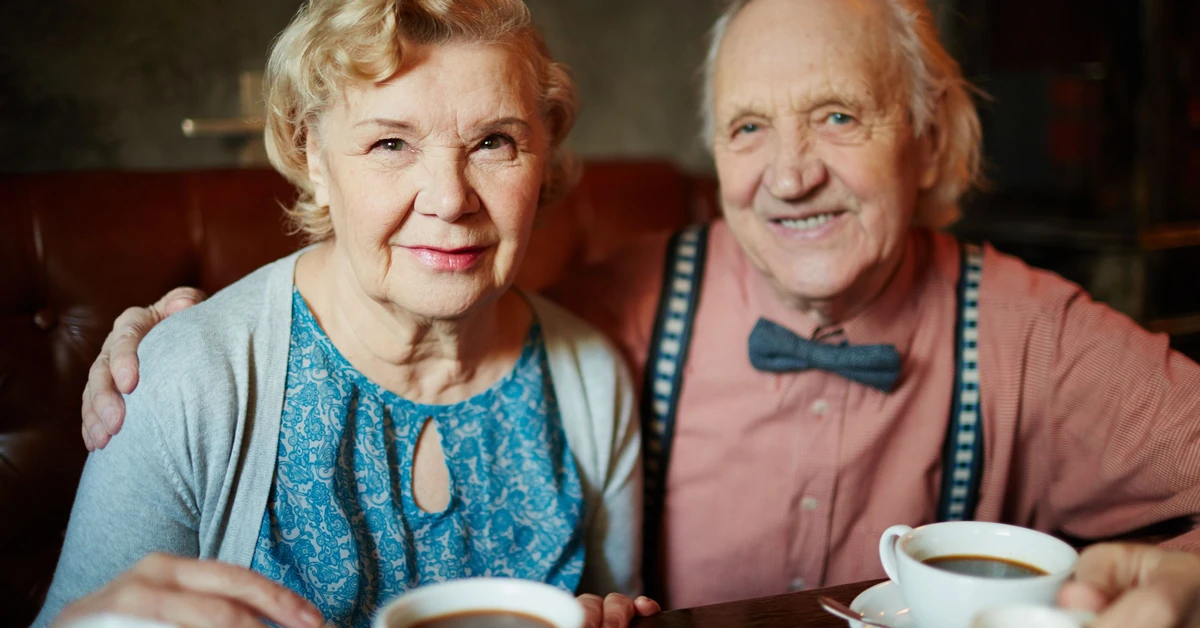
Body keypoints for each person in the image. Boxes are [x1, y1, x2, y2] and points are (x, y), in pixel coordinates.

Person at [81, 0, 1200, 625]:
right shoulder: (622, 310)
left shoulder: (1033, 333)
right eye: (749, 126)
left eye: (839, 119)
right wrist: (177, 348)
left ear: (930, 140)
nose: (789, 173)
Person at [38, 0, 662, 626]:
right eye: (391, 142)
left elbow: (614, 607)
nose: (449, 199)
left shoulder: (590, 380)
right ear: (312, 152)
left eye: (494, 141)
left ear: (544, 153)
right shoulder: (187, 379)